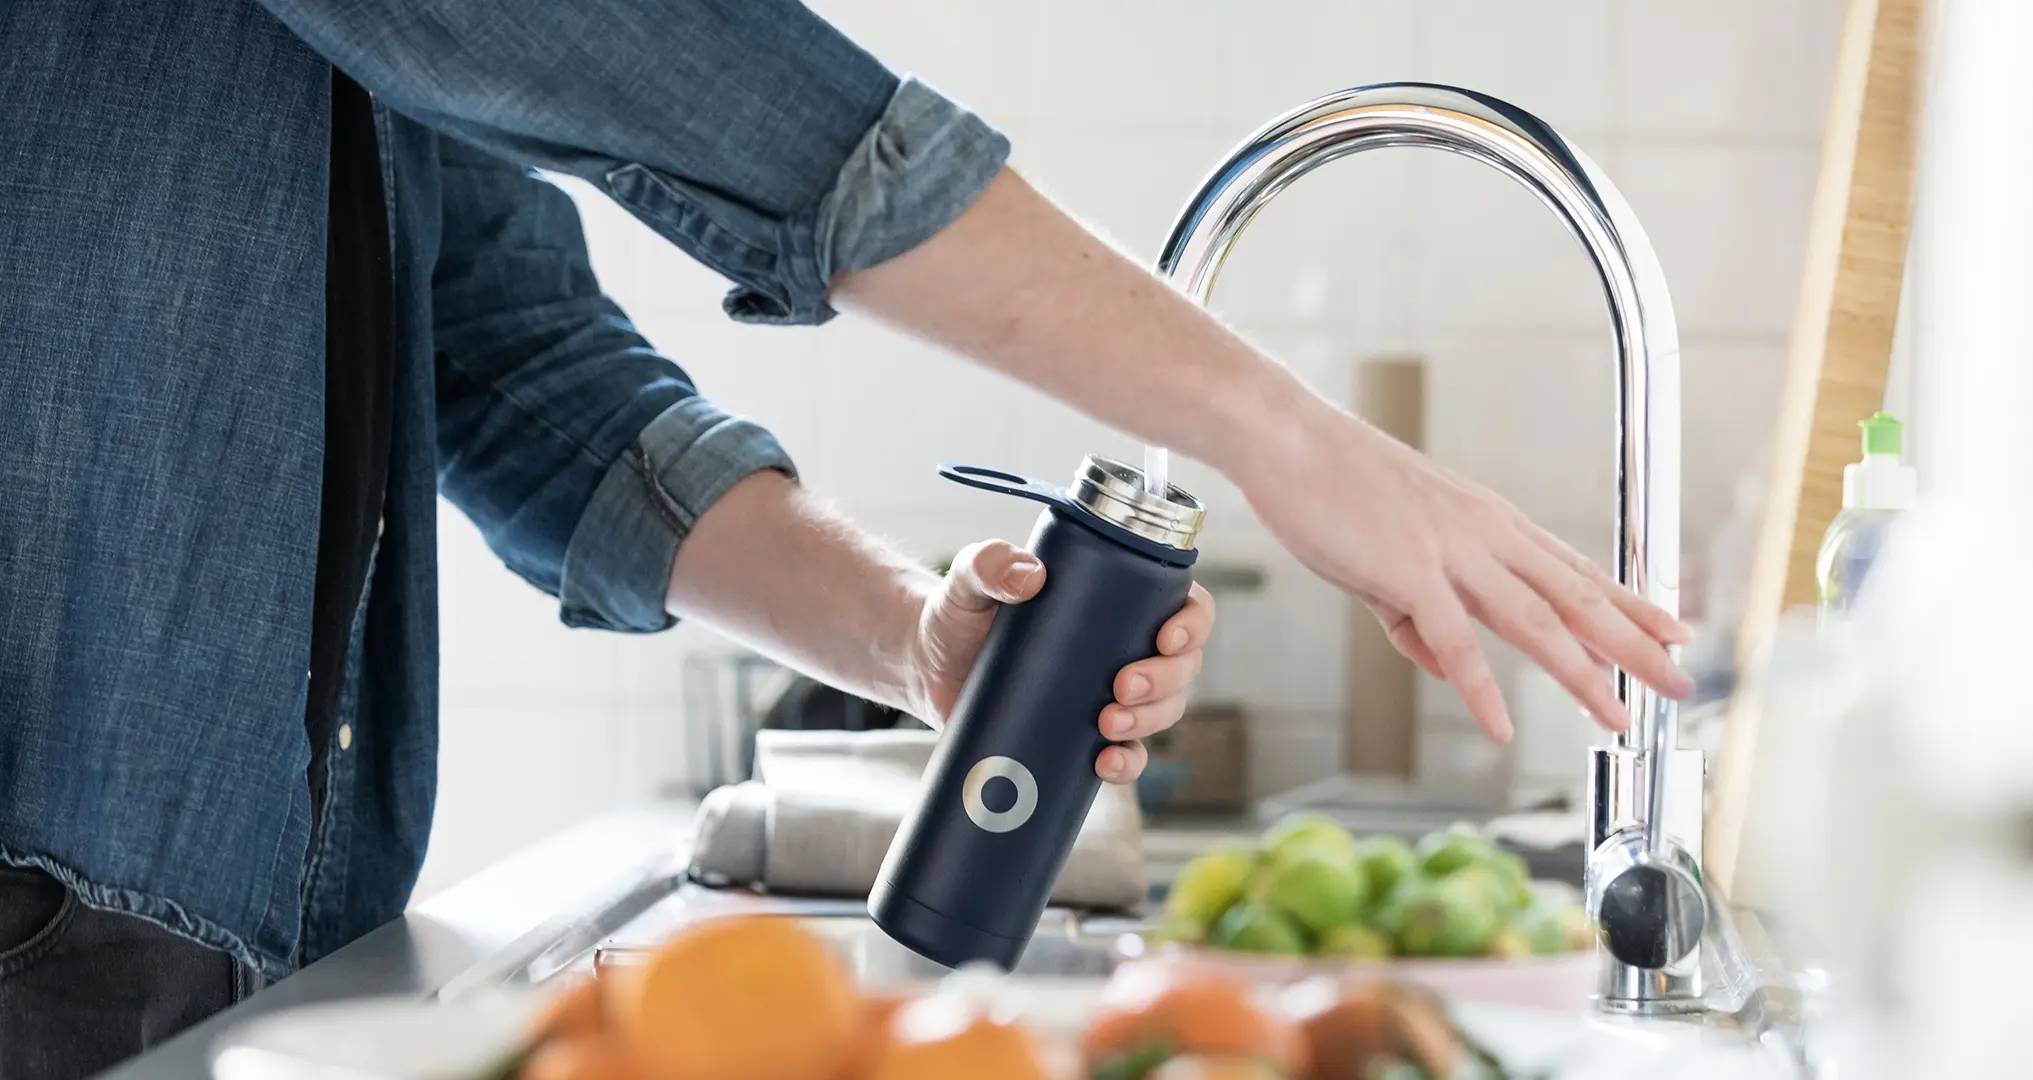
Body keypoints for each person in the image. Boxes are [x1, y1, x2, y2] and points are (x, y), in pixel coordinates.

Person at [0, 1, 1691, 1075]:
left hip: (190, 931)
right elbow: (733, 105)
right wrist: (1281, 434)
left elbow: (509, 361)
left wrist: (914, 644)